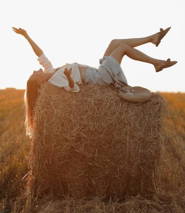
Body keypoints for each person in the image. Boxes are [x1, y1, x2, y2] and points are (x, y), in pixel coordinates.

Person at [12, 26, 177, 136]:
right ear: (38, 83)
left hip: (97, 71)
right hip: (100, 78)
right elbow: (73, 90)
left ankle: (152, 39)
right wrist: (70, 79)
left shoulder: (50, 72)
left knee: (114, 42)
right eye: (34, 74)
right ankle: (157, 63)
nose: (35, 70)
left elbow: (40, 54)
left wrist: (26, 36)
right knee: (122, 48)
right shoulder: (53, 82)